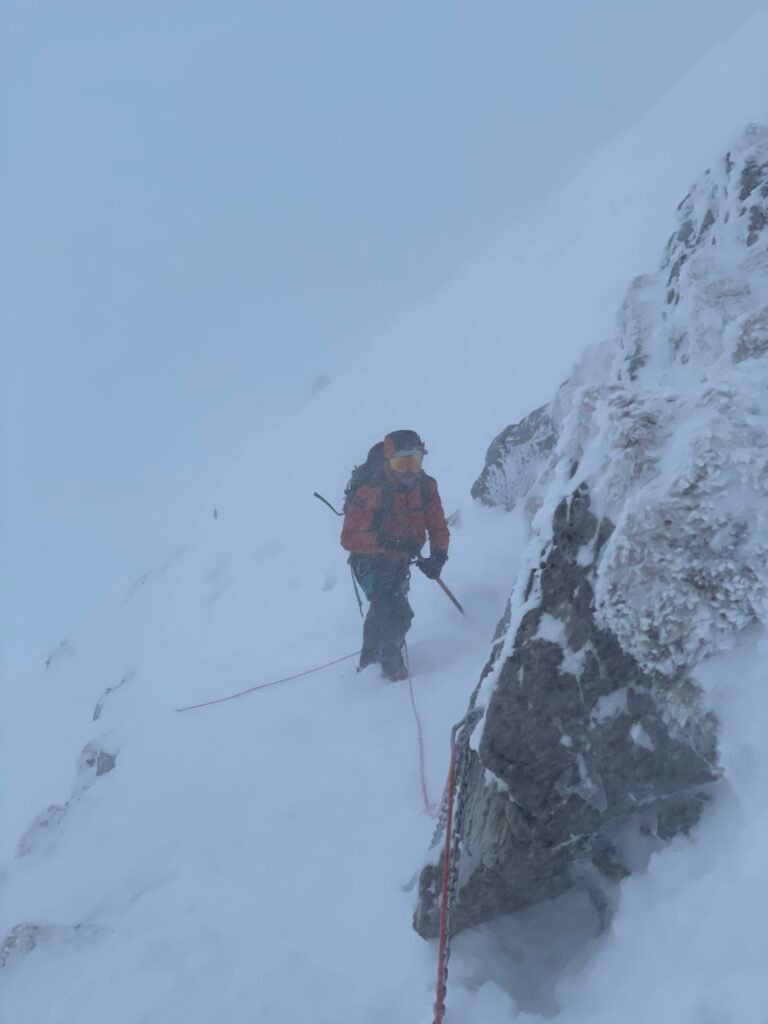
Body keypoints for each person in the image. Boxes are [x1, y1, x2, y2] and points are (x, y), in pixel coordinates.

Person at [341, 429, 450, 681]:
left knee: (390, 605)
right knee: (391, 607)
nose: (409, 471)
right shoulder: (371, 490)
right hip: (369, 560)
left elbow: (437, 525)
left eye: (415, 462)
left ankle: (371, 665)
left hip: (400, 558)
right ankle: (388, 666)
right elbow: (348, 538)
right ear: (389, 462)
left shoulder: (425, 486)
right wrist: (387, 541)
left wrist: (439, 556)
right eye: (402, 464)